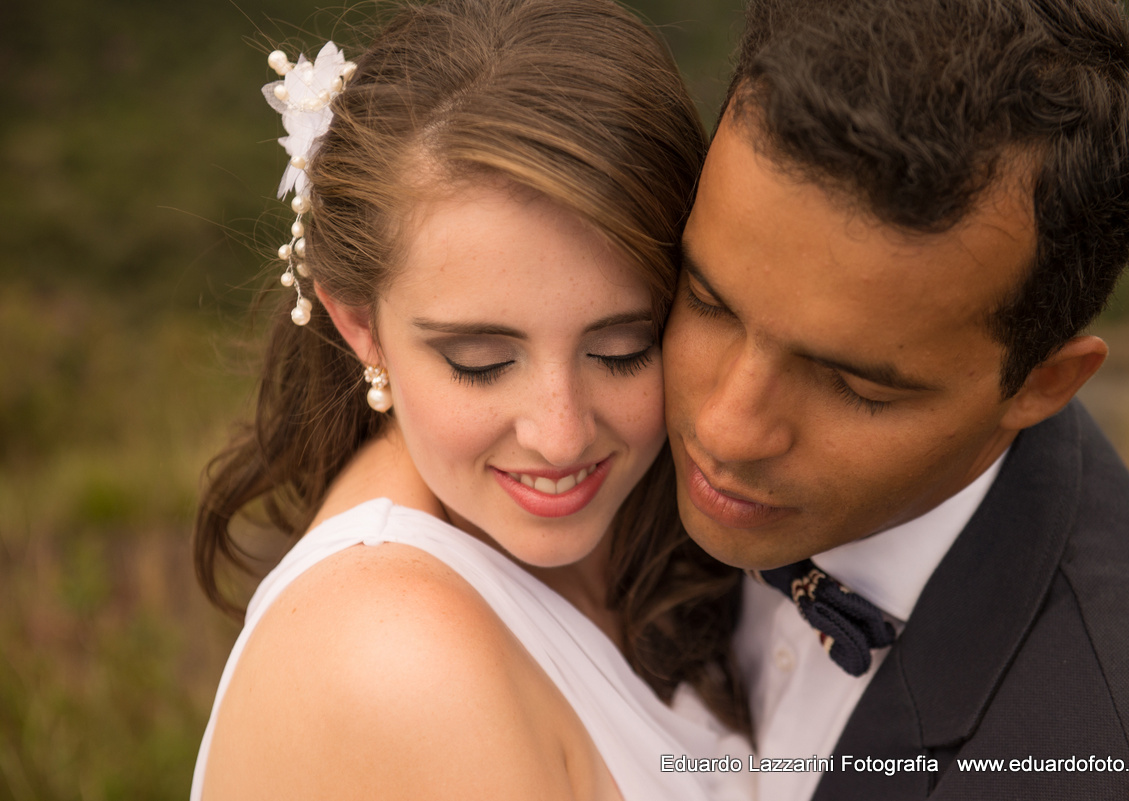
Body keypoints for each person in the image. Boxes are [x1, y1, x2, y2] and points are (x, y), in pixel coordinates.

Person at [190, 1, 753, 798]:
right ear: (361, 327)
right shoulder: (398, 659)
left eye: (622, 349)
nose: (560, 434)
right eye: (482, 362)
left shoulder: (650, 535)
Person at [662, 0, 1129, 797]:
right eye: (707, 301)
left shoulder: (1106, 755)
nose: (724, 429)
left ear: (1043, 383)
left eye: (857, 385)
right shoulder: (566, 432)